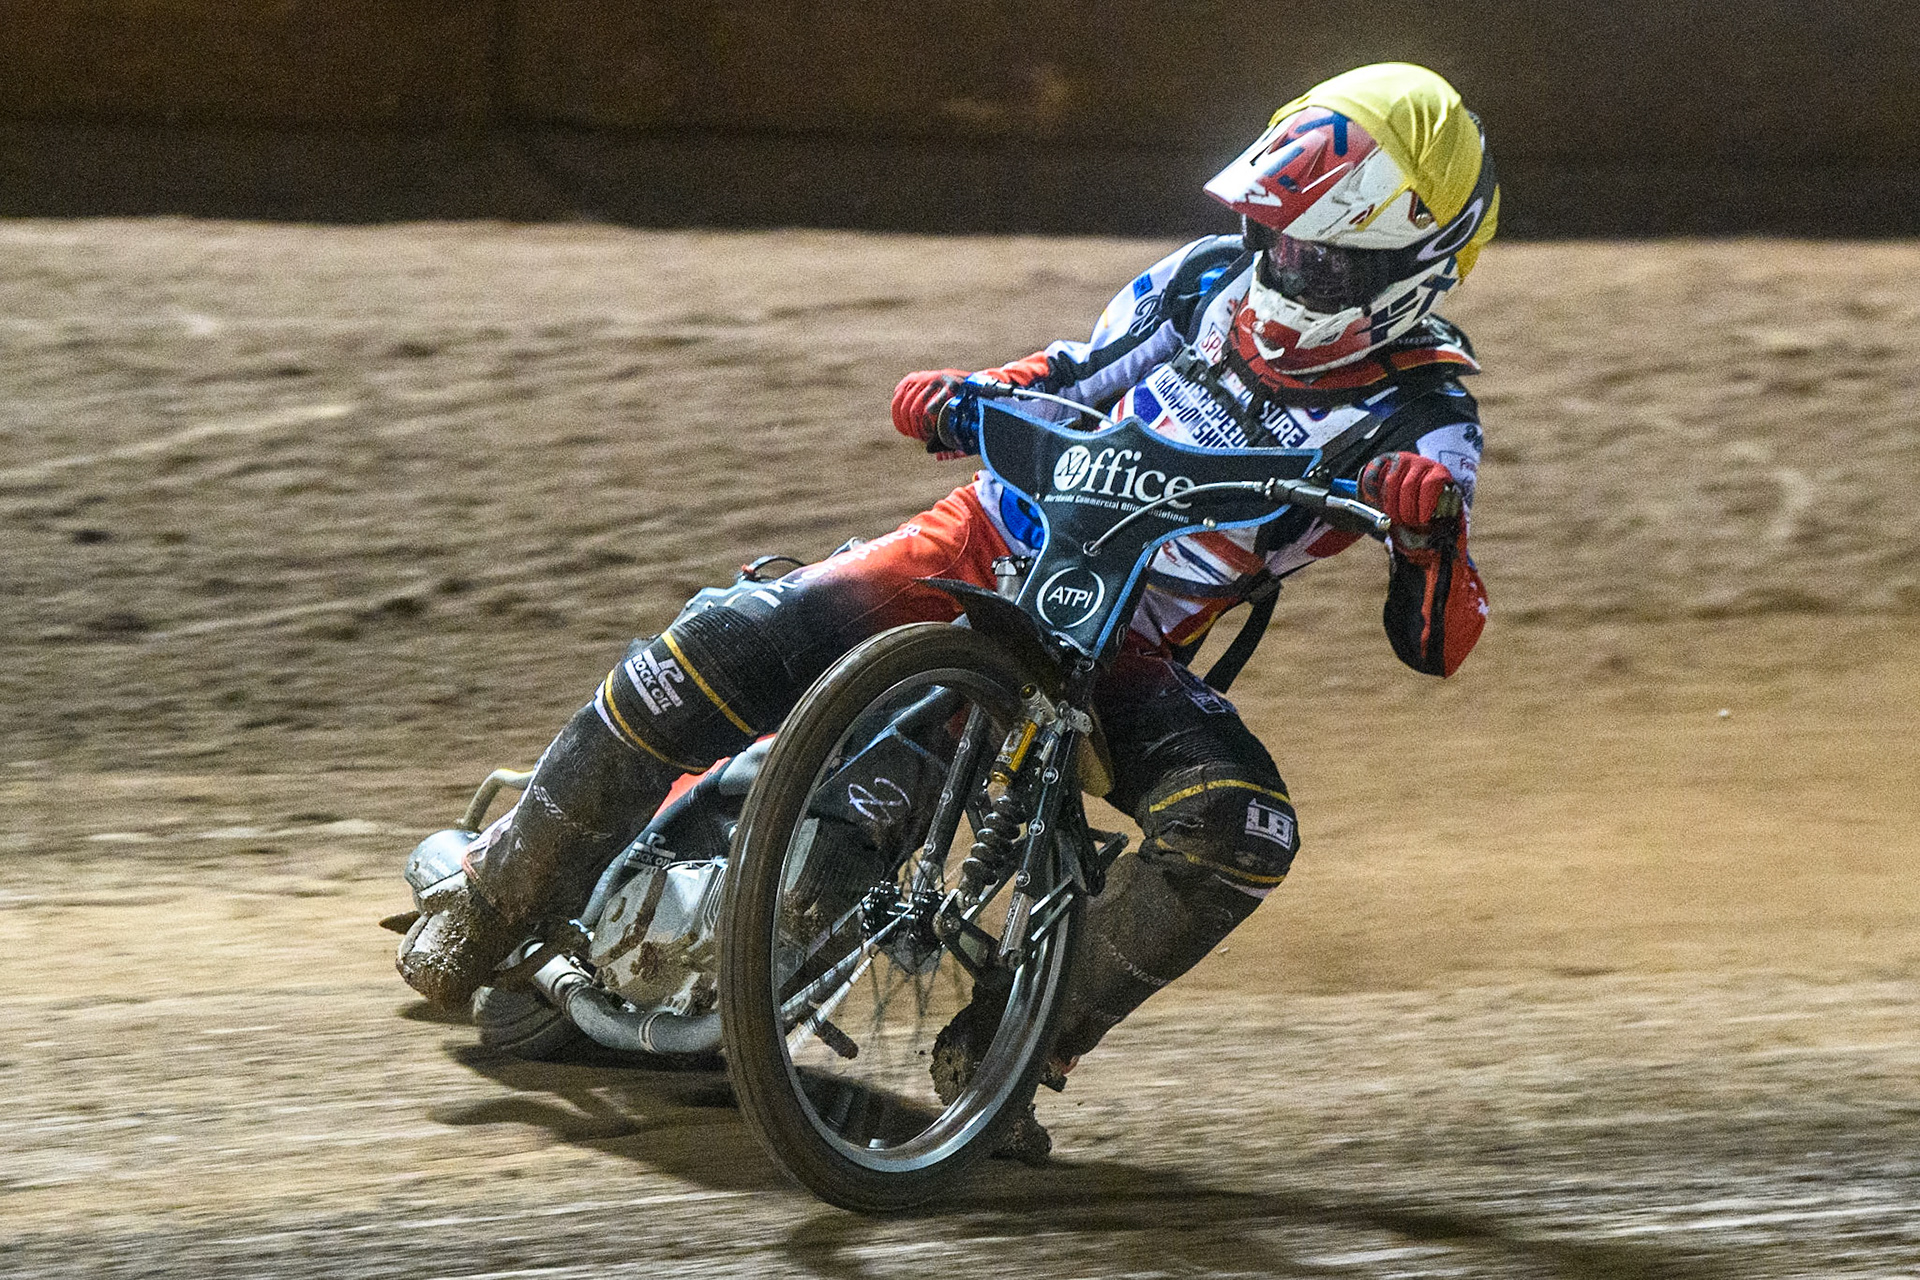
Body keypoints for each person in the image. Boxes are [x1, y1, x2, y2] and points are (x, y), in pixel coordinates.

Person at [398, 61, 1498, 1158]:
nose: (1284, 265)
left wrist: (1427, 533)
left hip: (1123, 647)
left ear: (1409, 269)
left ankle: (1013, 1045)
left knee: (1241, 827)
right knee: (718, 640)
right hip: (980, 542)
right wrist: (969, 393)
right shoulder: (1208, 282)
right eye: (1277, 233)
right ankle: (496, 896)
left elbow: (1436, 642)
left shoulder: (1425, 415)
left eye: (1321, 254)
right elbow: (1074, 371)